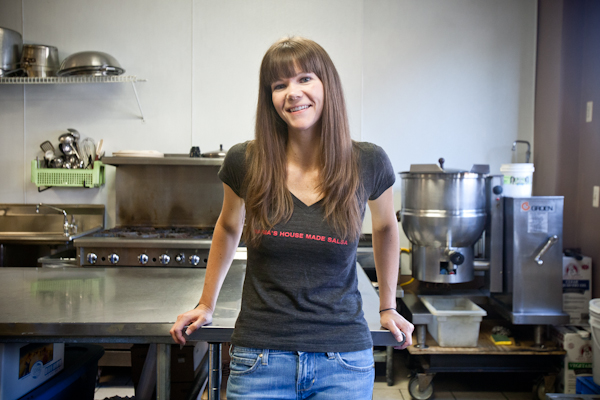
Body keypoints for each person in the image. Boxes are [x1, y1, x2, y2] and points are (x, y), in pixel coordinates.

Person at [170, 36, 414, 399]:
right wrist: (206, 303)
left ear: (327, 85)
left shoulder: (368, 161)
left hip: (343, 361)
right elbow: (228, 226)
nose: (292, 93)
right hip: (260, 359)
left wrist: (388, 305)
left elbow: (385, 227)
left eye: (305, 79)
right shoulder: (245, 161)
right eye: (279, 85)